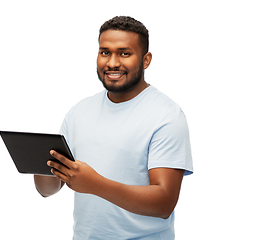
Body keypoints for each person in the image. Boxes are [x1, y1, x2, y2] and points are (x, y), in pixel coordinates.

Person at [34, 16, 193, 240]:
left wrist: (95, 184)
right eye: (105, 52)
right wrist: (38, 163)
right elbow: (47, 190)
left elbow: (164, 203)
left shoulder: (166, 116)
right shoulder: (79, 112)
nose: (112, 63)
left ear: (146, 60)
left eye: (124, 53)